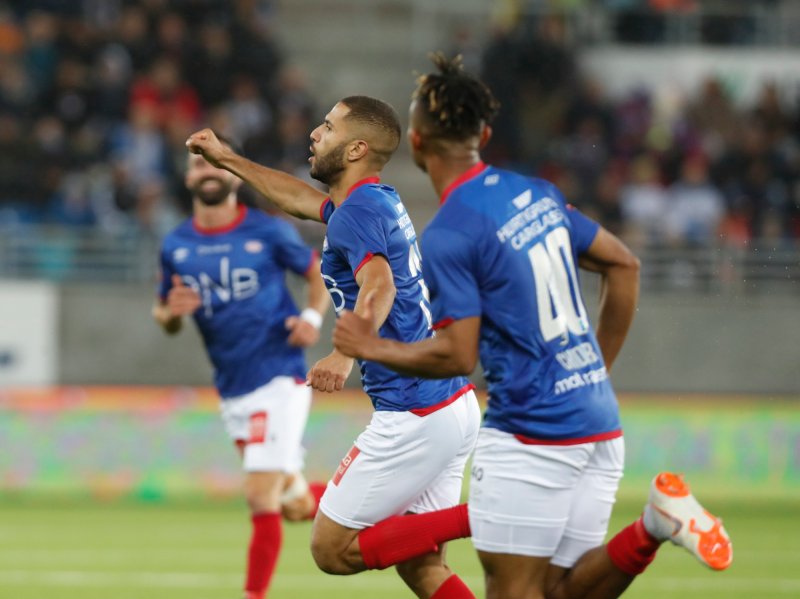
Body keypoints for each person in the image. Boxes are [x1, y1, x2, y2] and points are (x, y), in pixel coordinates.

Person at [332, 54, 733, 599]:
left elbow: (457, 356)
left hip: (530, 432)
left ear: (419, 143)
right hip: (597, 418)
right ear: (486, 133)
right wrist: (597, 371)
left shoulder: (452, 231)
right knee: (559, 592)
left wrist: (370, 346)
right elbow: (624, 265)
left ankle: (655, 526)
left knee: (514, 591)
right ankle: (653, 527)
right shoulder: (537, 192)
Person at [186, 96, 482, 599]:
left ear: (355, 149)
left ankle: (494, 511)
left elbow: (380, 285)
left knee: (331, 549)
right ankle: (488, 514)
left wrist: (346, 352)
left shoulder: (355, 214)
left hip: (414, 411)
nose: (314, 134)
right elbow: (298, 200)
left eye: (328, 127)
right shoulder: (372, 200)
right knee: (421, 567)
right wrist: (228, 159)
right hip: (451, 404)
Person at [152, 138, 330, 599]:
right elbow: (165, 316)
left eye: (215, 162)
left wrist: (311, 319)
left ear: (235, 173)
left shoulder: (267, 232)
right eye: (198, 164)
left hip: (278, 376)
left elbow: (317, 275)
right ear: (189, 178)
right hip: (233, 389)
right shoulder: (176, 243)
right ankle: (389, 507)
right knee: (292, 504)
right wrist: (172, 313)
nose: (208, 171)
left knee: (258, 495)